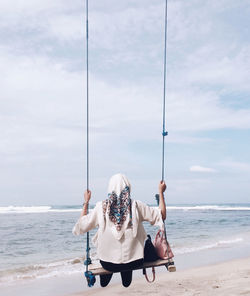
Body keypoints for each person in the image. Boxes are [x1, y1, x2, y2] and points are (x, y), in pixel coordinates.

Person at [72, 173, 167, 288]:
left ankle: (107, 276)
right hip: (134, 261)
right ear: (128, 187)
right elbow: (161, 215)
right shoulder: (136, 205)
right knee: (128, 268)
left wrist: (86, 201)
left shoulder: (101, 207)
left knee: (111, 260)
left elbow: (82, 225)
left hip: (108, 263)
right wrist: (161, 193)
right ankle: (125, 277)